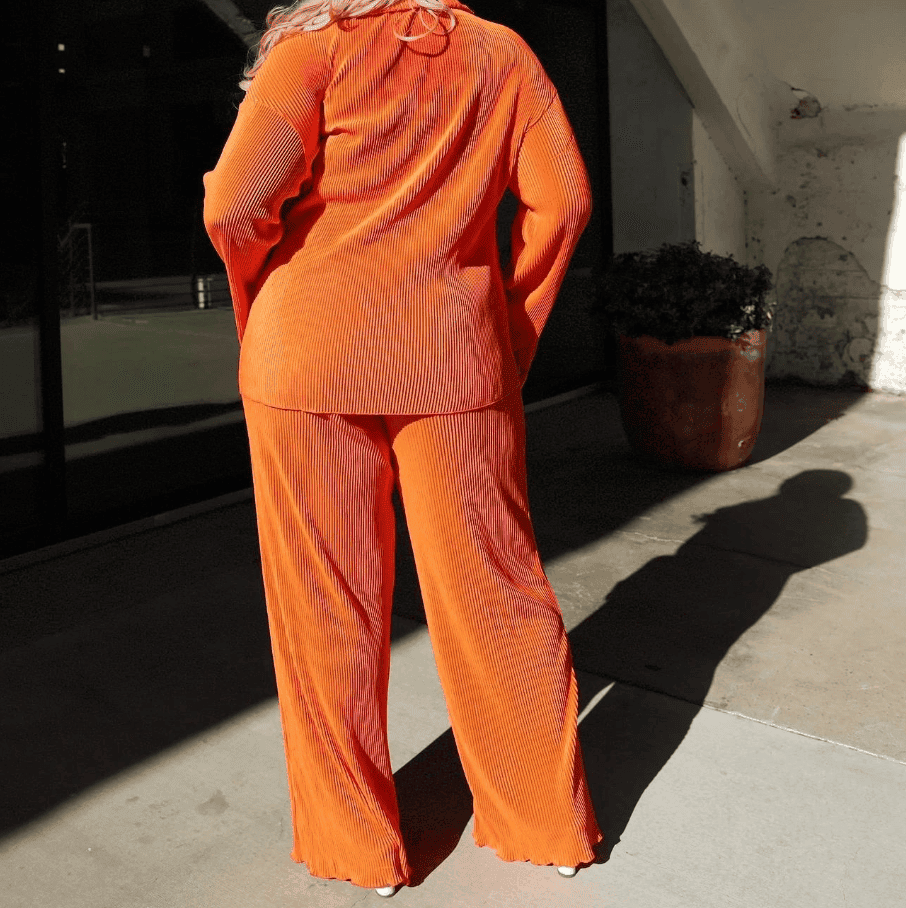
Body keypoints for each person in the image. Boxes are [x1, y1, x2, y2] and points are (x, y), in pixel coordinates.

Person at [202, 0, 602, 897]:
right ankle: (545, 822)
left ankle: (357, 849)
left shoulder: (312, 50)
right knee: (495, 593)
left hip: (307, 357)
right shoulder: (502, 54)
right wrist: (508, 330)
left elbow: (235, 203)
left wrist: (271, 294)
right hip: (453, 358)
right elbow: (566, 201)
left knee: (324, 606)